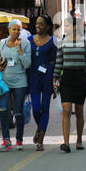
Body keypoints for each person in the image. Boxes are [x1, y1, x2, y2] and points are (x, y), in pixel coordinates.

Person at [53, 17, 86, 153]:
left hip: (80, 77)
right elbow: (58, 62)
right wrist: (55, 78)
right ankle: (66, 142)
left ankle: (79, 140)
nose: (65, 28)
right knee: (67, 109)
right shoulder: (62, 42)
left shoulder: (85, 42)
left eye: (67, 26)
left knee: (79, 111)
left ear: (75, 27)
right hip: (67, 78)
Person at [0, 19, 31, 152]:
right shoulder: (2, 43)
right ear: (9, 29)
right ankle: (6, 141)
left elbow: (27, 64)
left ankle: (19, 140)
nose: (16, 32)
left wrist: (20, 50)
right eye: (13, 29)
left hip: (20, 81)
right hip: (5, 82)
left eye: (18, 29)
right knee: (3, 109)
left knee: (18, 111)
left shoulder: (25, 43)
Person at [27, 14, 57, 151]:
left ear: (48, 27)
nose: (38, 26)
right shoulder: (29, 40)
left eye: (41, 24)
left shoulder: (53, 42)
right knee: (36, 108)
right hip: (33, 78)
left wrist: (56, 81)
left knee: (45, 108)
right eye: (37, 23)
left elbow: (56, 62)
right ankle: (39, 127)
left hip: (47, 79)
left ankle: (41, 140)